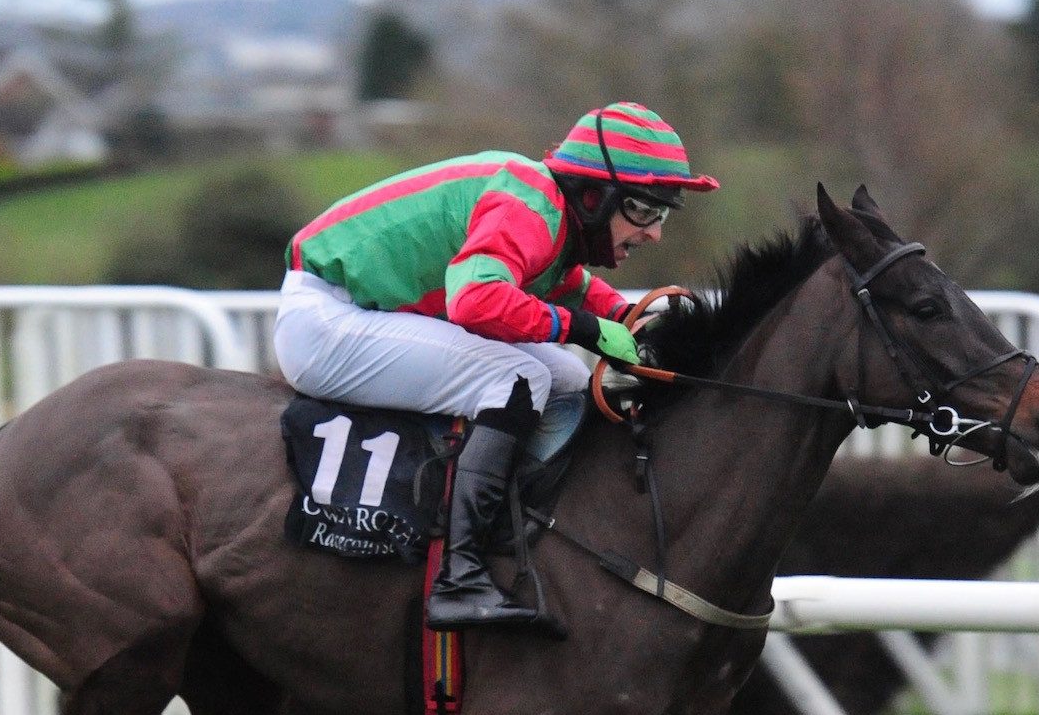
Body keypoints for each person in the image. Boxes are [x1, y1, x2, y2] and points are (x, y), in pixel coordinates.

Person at [273, 101, 718, 631]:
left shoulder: (546, 212)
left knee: (569, 382)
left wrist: (625, 316)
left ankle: (517, 534)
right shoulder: (529, 204)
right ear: (595, 196)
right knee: (518, 379)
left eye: (662, 215)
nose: (653, 233)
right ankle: (458, 579)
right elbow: (476, 301)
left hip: (354, 313)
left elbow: (568, 284)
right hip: (326, 320)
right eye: (644, 211)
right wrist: (585, 329)